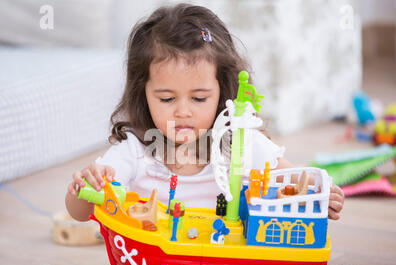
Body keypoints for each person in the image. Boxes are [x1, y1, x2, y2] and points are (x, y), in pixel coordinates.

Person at [66, 3, 344, 224]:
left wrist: (321, 196)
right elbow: (78, 212)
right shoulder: (135, 152)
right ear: (144, 93)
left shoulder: (241, 145)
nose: (183, 112)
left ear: (221, 92)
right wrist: (84, 187)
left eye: (199, 98)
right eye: (166, 98)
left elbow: (297, 181)